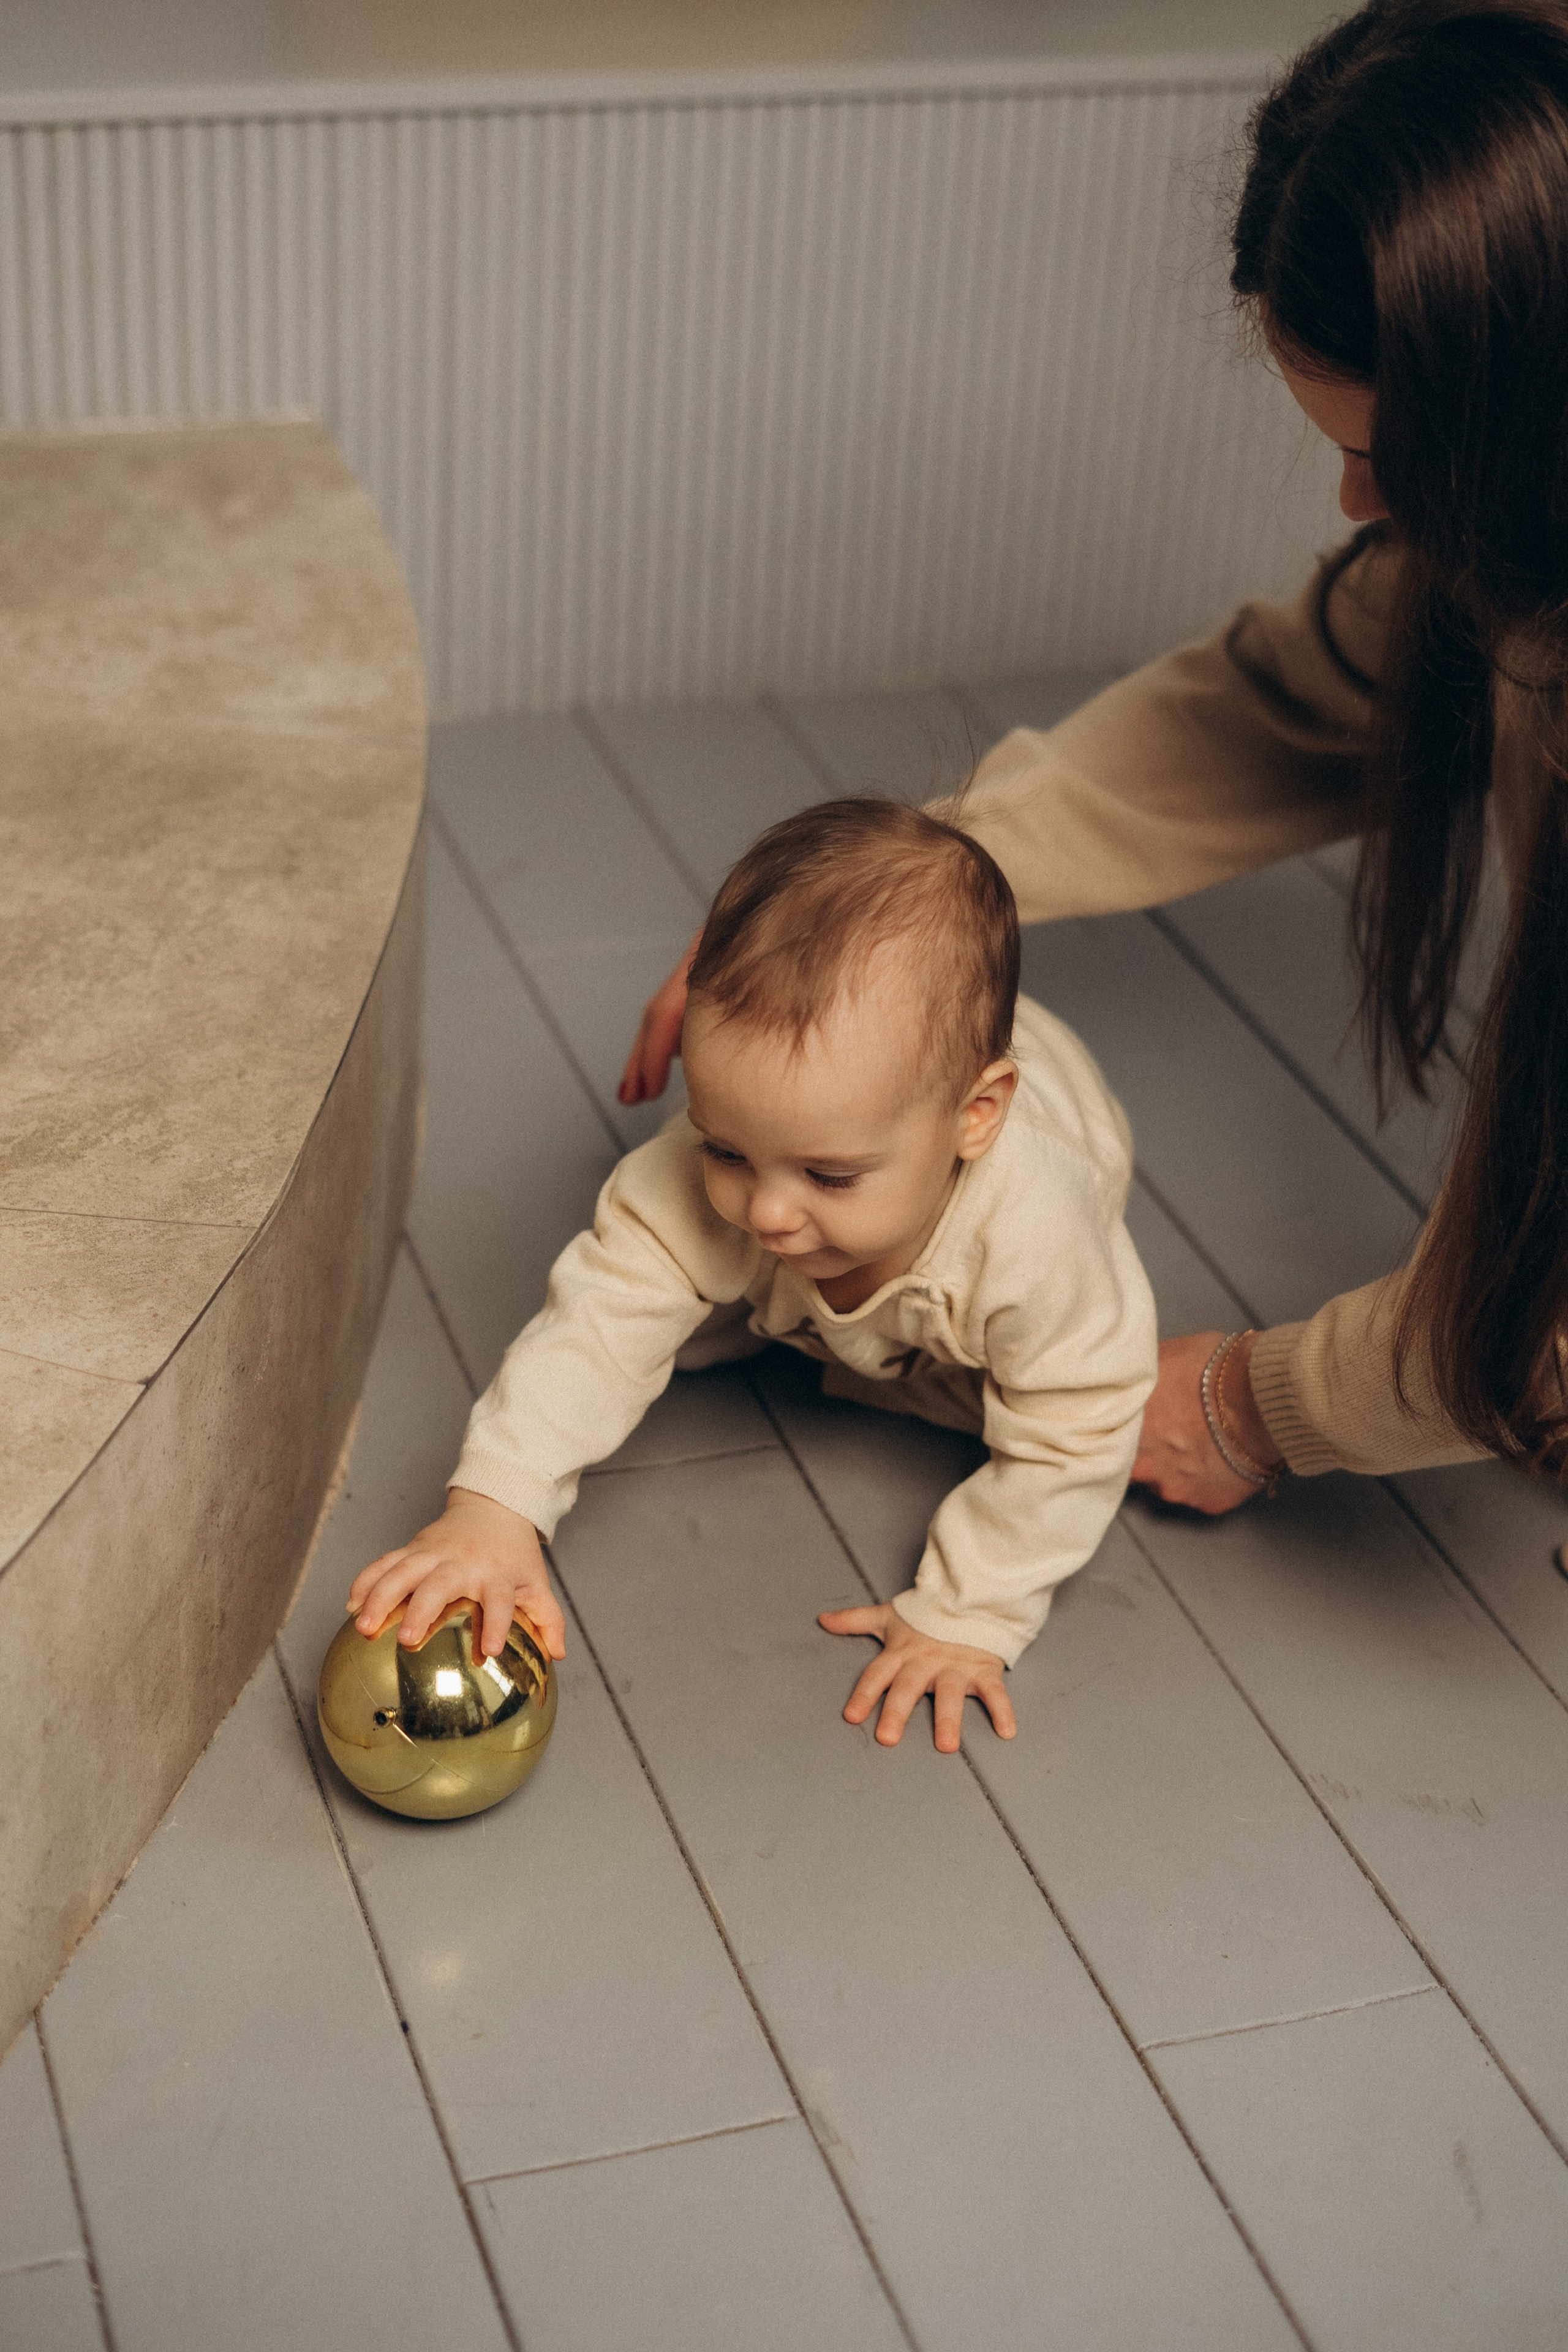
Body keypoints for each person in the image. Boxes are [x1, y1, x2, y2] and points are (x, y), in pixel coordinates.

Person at [619, 0, 1568, 1513]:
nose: (1345, 511)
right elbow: (1300, 695)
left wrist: (1256, 1406)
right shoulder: (1511, 516)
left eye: (1385, 466)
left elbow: (1525, 1314)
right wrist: (900, 901)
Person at [349, 798, 1156, 1752]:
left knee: (1030, 1394)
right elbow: (600, 1316)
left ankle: (831, 1330)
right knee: (677, 1282)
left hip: (1006, 1238)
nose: (767, 1207)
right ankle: (799, 1308)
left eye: (826, 1174)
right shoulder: (738, 1171)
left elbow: (1081, 1427)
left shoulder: (1036, 1241)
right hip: (842, 1242)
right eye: (725, 1147)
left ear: (976, 1116)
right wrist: (494, 1508)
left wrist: (970, 1613)